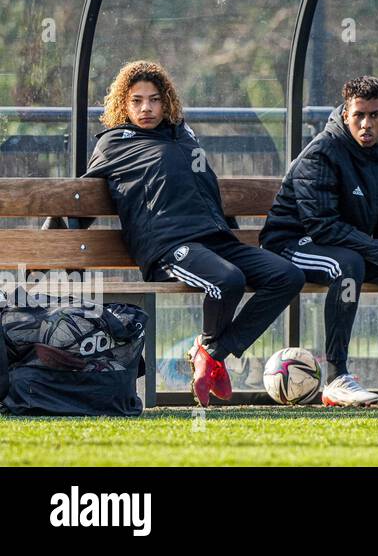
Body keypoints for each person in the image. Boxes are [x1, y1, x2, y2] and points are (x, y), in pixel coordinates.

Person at [85, 60, 303, 407]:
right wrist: (45, 246)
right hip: (170, 246)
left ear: (166, 101)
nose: (146, 108)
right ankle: (210, 353)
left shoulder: (183, 136)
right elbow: (80, 198)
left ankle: (212, 351)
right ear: (123, 105)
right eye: (137, 100)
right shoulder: (115, 143)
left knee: (287, 275)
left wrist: (228, 231)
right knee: (228, 280)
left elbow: (207, 188)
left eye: (154, 100)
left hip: (215, 238)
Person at [260, 76, 378, 407]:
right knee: (347, 266)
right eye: (358, 115)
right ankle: (336, 378)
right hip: (295, 242)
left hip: (356, 245)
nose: (366, 124)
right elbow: (322, 226)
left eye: (374, 115)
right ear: (346, 114)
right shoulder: (323, 152)